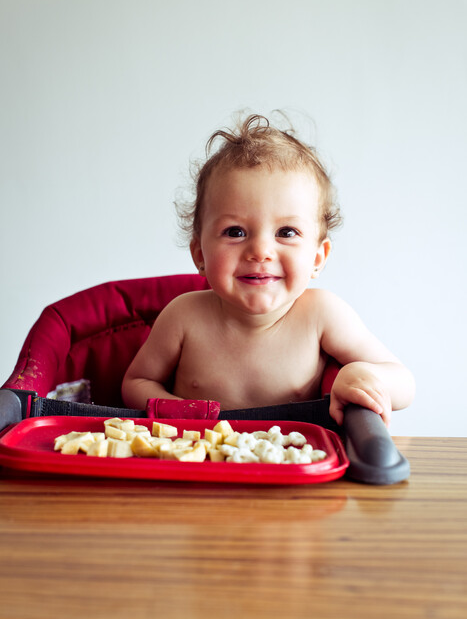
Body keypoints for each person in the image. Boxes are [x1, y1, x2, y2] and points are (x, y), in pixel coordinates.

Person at [122, 114, 415, 426]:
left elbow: (405, 384)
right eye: (235, 232)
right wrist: (177, 411)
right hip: (199, 463)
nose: (260, 251)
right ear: (199, 255)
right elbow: (135, 384)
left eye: (286, 232)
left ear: (318, 257)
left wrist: (363, 375)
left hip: (291, 466)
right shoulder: (183, 317)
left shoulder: (321, 315)